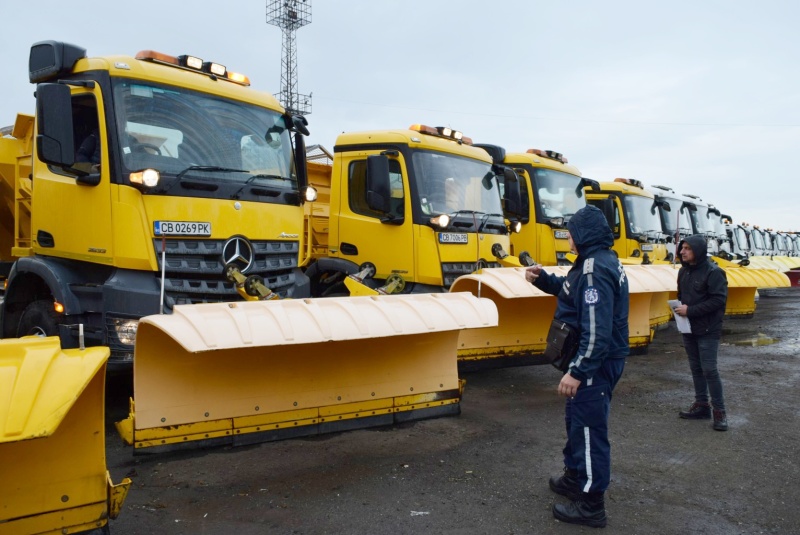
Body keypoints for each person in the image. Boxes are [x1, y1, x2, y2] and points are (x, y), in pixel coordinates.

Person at [525, 205, 629, 528]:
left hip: (595, 365)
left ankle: (591, 504)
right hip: (596, 362)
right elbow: (570, 292)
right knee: (576, 421)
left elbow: (597, 333)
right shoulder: (592, 262)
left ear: (582, 235)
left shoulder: (594, 269)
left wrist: (578, 371)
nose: (568, 238)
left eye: (571, 233)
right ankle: (575, 477)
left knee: (588, 429)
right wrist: (543, 279)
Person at [672, 235, 729, 431]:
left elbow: (718, 301)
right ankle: (702, 405)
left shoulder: (714, 272)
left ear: (698, 250)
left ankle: (719, 412)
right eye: (682, 248)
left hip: (708, 330)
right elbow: (682, 296)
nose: (682, 252)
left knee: (709, 370)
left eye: (687, 248)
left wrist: (690, 311)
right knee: (696, 369)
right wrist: (680, 311)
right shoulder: (683, 272)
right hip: (688, 329)